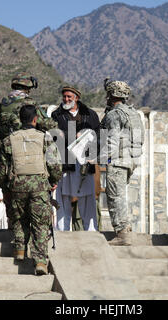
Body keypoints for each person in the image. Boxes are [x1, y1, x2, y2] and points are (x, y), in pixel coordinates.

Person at [0, 72, 57, 259]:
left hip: (11, 154)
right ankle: (39, 257)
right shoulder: (29, 104)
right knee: (38, 213)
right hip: (30, 154)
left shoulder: (4, 103)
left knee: (16, 209)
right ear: (28, 88)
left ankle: (19, 246)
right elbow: (48, 123)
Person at [0, 105, 62, 275]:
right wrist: (54, 181)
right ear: (35, 119)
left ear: (20, 119)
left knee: (19, 217)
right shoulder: (45, 138)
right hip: (39, 185)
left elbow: (3, 168)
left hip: (17, 184)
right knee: (40, 222)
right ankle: (40, 260)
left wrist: (5, 188)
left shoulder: (8, 140)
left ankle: (19, 248)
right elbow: (55, 165)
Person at [99, 79, 144, 246]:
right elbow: (141, 139)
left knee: (115, 196)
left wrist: (102, 159)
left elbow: (111, 141)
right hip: (130, 161)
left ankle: (122, 233)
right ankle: (126, 229)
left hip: (117, 161)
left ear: (111, 95)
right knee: (120, 195)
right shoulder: (135, 114)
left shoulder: (114, 115)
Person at [51, 86, 100, 232]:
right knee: (63, 198)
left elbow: (98, 136)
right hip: (66, 163)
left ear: (76, 98)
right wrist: (70, 136)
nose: (66, 99)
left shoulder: (90, 115)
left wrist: (88, 140)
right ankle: (62, 231)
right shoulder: (57, 115)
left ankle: (91, 231)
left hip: (85, 164)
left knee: (87, 199)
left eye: (69, 97)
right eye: (64, 97)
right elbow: (53, 136)